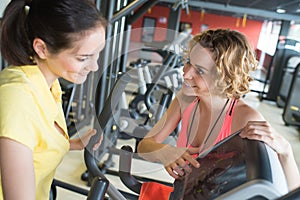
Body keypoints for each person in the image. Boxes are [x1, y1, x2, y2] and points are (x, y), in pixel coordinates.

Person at [137, 29, 300, 192]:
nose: (186, 74)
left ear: (225, 77)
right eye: (188, 62)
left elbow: (290, 192)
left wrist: (286, 152)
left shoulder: (245, 118)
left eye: (200, 71)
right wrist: (165, 152)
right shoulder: (185, 100)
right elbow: (144, 146)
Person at [0, 0, 106, 199]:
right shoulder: (19, 99)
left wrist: (73, 143)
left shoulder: (47, 82)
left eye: (97, 54)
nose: (95, 66)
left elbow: (34, 145)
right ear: (41, 48)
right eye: (84, 58)